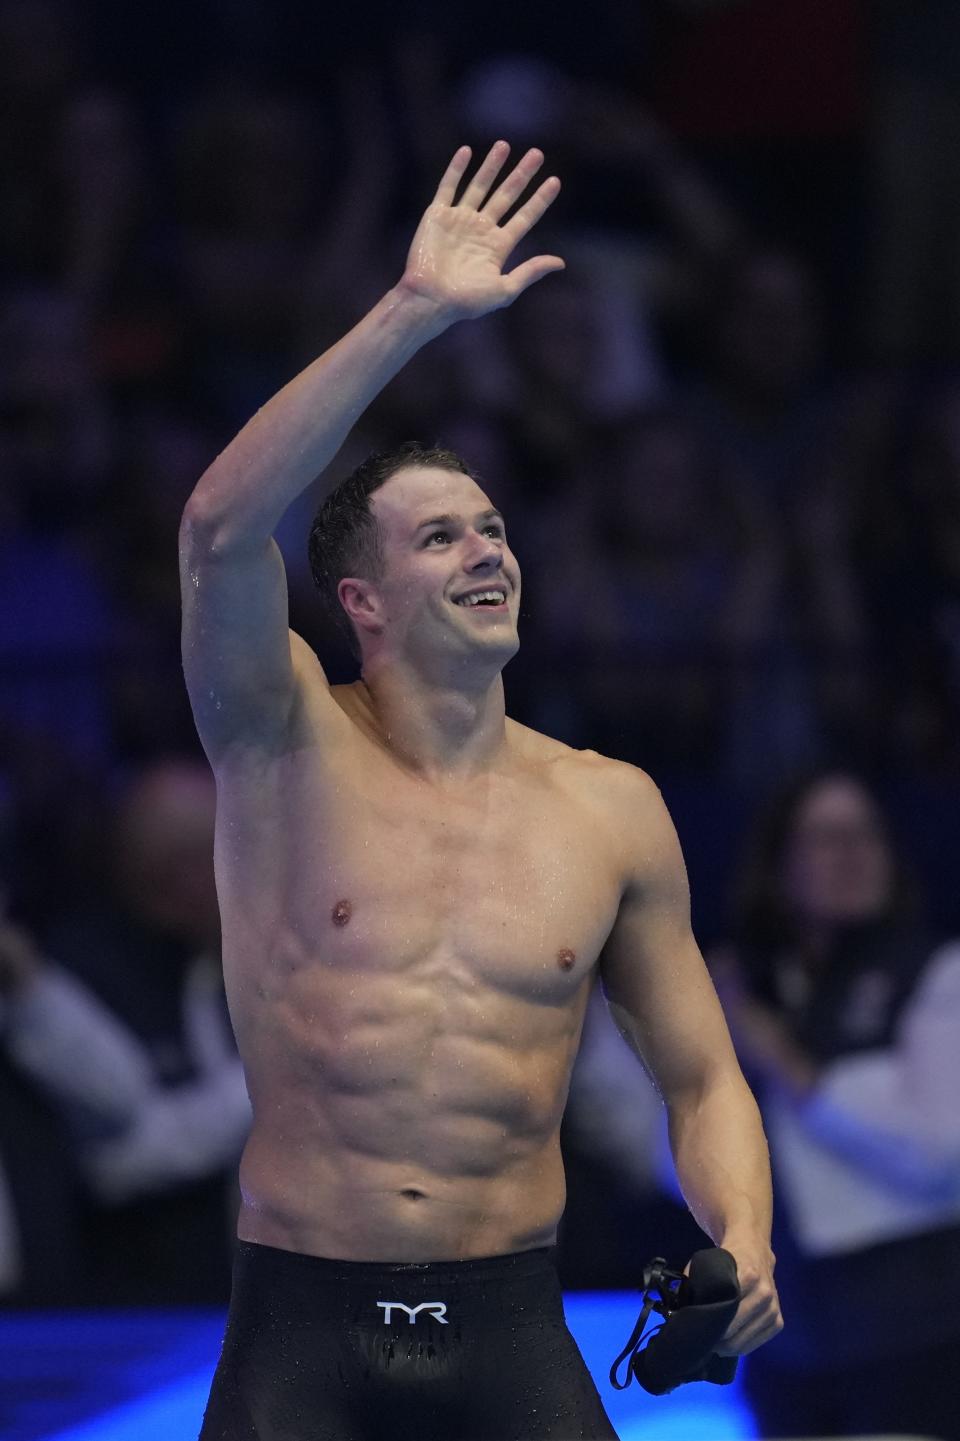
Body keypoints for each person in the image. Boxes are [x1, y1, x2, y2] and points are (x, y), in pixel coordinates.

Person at [180, 140, 781, 1441]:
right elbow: (220, 528)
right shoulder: (279, 737)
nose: (486, 549)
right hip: (302, 1331)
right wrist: (415, 314)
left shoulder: (609, 806)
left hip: (514, 1326)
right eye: (440, 535)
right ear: (359, 602)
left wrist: (746, 1237)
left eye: (496, 527)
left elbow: (701, 1079)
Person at [711, 770, 960, 1440]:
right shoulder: (747, 988)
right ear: (778, 862)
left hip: (916, 1333)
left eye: (866, 833)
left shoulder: (937, 970)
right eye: (825, 836)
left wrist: (786, 1064)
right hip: (786, 1343)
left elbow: (940, 1153)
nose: (852, 852)